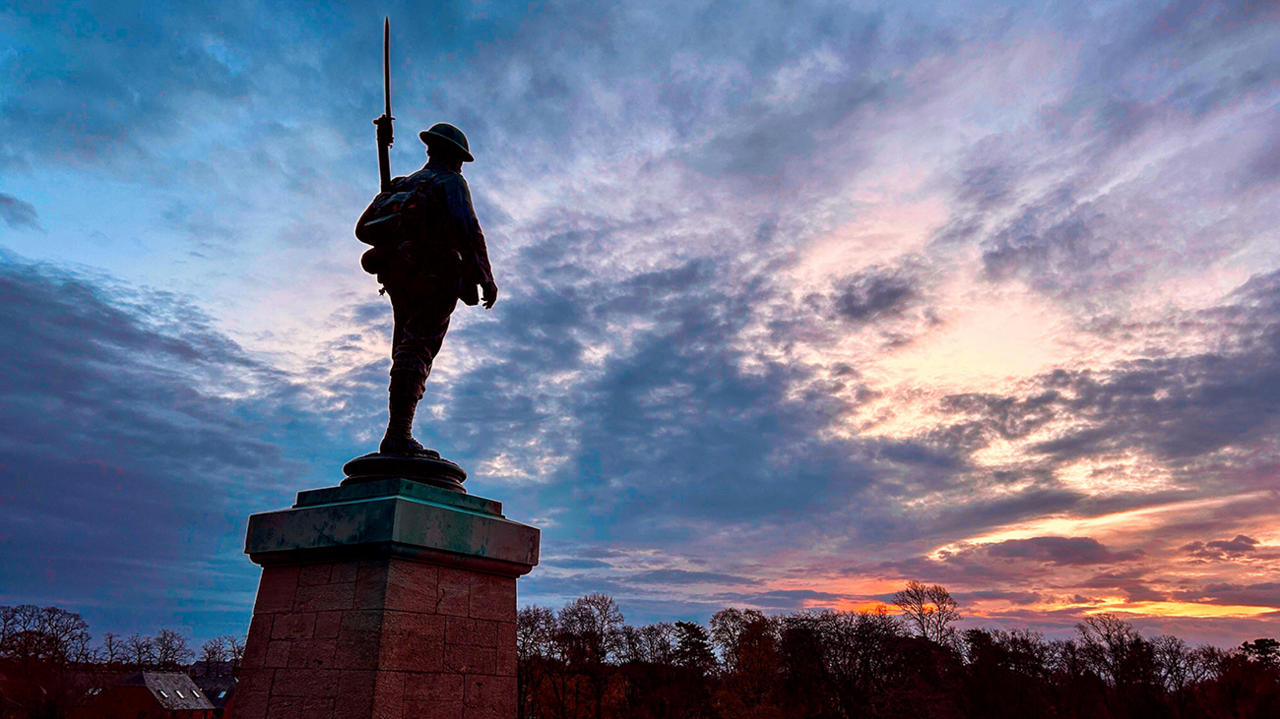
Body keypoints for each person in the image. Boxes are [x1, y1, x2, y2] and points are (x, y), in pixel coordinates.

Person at [355, 122, 498, 457]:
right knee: (418, 346)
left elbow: (363, 230)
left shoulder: (401, 185)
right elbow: (466, 228)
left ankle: (397, 431)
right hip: (435, 273)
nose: (461, 165)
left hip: (397, 272)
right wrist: (484, 276)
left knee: (406, 343)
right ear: (453, 157)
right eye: (460, 159)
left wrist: (385, 196)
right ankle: (397, 434)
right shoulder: (450, 182)